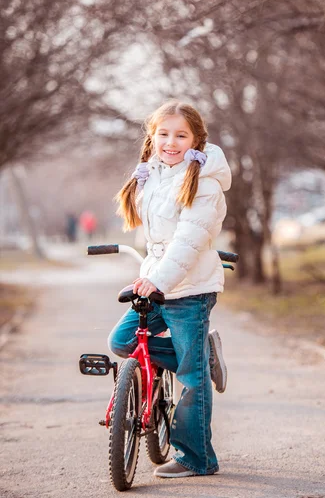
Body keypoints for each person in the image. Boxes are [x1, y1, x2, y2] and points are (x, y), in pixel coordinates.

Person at [108, 100, 231, 479]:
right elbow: (158, 240)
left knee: (192, 379)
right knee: (123, 341)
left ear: (196, 140)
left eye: (181, 135)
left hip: (190, 288)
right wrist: (149, 275)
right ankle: (199, 354)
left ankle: (197, 458)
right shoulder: (155, 173)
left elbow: (187, 241)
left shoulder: (204, 182)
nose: (171, 142)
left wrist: (158, 280)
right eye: (163, 134)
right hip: (159, 281)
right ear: (153, 137)